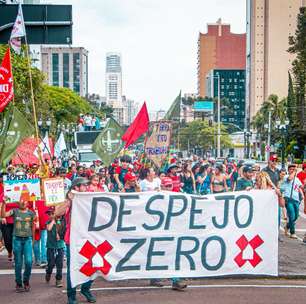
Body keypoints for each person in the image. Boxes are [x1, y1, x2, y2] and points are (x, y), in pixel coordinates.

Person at [55, 177, 96, 304]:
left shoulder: (88, 198)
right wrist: (69, 200)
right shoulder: (71, 200)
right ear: (76, 187)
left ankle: (85, 289)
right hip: (72, 240)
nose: (86, 188)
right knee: (73, 268)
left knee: (94, 264)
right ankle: (71, 296)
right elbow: (57, 213)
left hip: (88, 239)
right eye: (84, 186)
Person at [1, 198, 36, 292]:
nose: (23, 202)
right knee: (18, 263)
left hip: (28, 240)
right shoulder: (15, 211)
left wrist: (33, 239)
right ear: (18, 202)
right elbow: (3, 215)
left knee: (29, 262)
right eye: (21, 200)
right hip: (17, 240)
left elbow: (33, 226)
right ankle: (18, 283)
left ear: (27, 202)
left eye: (25, 200)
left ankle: (26, 280)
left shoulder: (31, 213)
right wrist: (4, 204)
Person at [280, 164, 305, 239]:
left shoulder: (297, 179)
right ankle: (292, 232)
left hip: (296, 199)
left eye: (294, 169)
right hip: (288, 198)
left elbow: (300, 187)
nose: (293, 170)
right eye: (291, 169)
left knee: (296, 216)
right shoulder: (286, 177)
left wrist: (302, 193)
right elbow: (290, 179)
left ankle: (287, 226)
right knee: (292, 215)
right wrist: (294, 172)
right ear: (288, 170)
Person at [45, 207, 65, 288]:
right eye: (49, 214)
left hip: (60, 246)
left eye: (52, 213)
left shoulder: (61, 222)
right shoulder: (49, 222)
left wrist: (60, 235)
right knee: (51, 264)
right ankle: (48, 272)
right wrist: (53, 221)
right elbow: (48, 228)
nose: (50, 215)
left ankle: (58, 279)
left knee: (59, 264)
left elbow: (64, 231)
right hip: (51, 247)